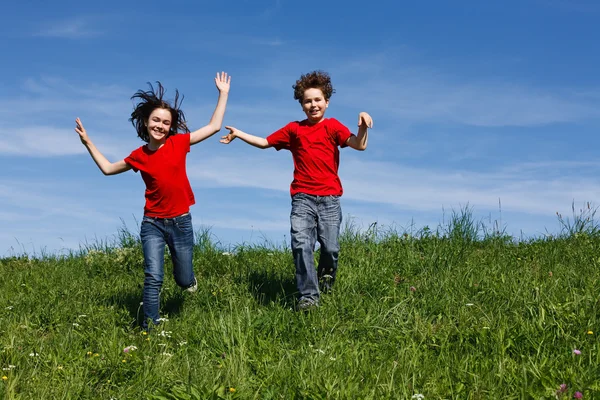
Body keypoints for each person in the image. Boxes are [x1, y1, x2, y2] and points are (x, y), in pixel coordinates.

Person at [74, 72, 231, 328]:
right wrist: (88, 142)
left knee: (182, 279)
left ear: (171, 127)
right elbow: (108, 168)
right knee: (153, 276)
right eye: (155, 120)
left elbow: (213, 127)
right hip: (153, 225)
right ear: (146, 122)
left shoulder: (178, 143)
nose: (160, 125)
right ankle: (149, 327)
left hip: (180, 222)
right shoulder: (139, 155)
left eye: (165, 122)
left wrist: (223, 94)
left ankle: (189, 281)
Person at [220, 70, 372, 310]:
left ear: (327, 102)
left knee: (330, 248)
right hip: (302, 198)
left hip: (330, 198)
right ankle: (309, 297)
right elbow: (264, 142)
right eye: (308, 101)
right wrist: (239, 134)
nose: (313, 105)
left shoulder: (333, 127)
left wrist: (363, 125)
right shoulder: (294, 130)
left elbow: (359, 145)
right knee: (301, 245)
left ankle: (325, 278)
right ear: (301, 105)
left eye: (317, 100)